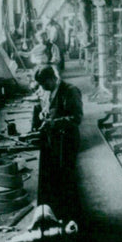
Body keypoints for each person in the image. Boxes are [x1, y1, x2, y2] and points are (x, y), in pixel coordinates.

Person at [33, 66, 83, 209]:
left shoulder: (70, 91)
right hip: (56, 139)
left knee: (68, 175)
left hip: (67, 140)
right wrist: (44, 112)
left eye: (44, 84)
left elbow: (76, 118)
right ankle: (64, 206)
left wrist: (53, 122)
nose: (43, 88)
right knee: (60, 175)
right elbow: (53, 107)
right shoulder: (51, 89)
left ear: (52, 78)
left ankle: (73, 211)